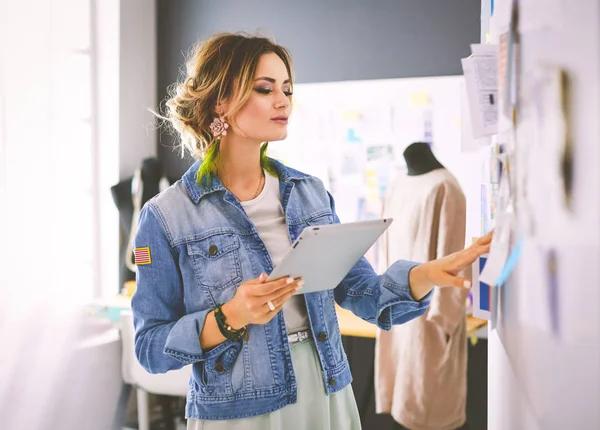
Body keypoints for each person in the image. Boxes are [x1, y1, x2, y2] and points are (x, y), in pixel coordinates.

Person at [131, 33, 492, 430]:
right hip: (239, 411)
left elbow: (361, 292)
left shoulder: (309, 193)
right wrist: (230, 315)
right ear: (220, 101)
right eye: (265, 89)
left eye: (286, 89)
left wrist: (424, 275)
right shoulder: (165, 216)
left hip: (327, 390)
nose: (283, 100)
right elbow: (150, 347)